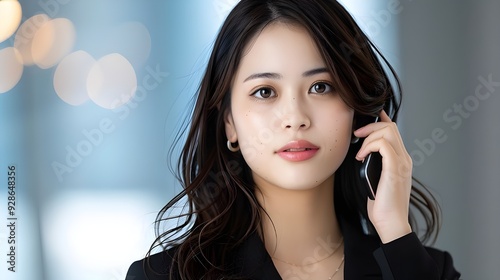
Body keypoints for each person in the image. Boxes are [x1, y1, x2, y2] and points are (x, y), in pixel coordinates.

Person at [127, 0, 461, 279]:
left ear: (357, 111)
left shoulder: (425, 268)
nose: (296, 118)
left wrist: (395, 233)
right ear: (229, 123)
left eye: (321, 87)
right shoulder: (163, 275)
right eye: (265, 92)